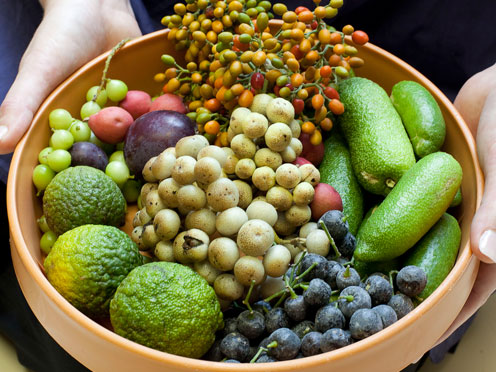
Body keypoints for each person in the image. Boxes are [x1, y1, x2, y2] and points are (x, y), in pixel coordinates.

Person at [0, 0, 495, 371]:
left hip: (431, 64)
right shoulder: (210, 178)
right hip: (162, 34)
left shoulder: (274, 199)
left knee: (394, 346)